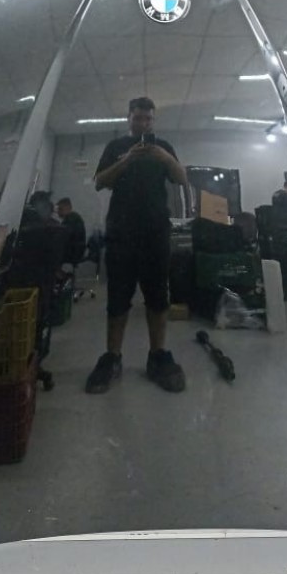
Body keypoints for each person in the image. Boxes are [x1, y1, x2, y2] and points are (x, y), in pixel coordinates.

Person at [85, 97, 188, 394]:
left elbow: (182, 178)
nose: (143, 123)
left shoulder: (163, 147)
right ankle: (112, 357)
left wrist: (165, 158)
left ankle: (157, 355)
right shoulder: (116, 147)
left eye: (148, 119)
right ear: (128, 118)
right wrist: (127, 159)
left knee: (158, 297)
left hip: (156, 233)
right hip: (121, 233)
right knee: (118, 297)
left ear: (153, 121)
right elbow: (99, 182)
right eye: (138, 118)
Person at [55, 197, 87, 267]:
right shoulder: (73, 217)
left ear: (68, 208)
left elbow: (64, 237)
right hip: (76, 251)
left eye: (60, 209)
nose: (58, 212)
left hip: (74, 252)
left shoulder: (71, 219)